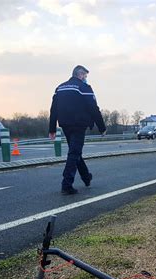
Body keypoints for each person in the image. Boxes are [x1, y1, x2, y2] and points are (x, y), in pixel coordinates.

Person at [49, 65, 106, 195]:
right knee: (74, 153)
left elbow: (53, 109)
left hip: (65, 124)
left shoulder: (60, 88)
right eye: (85, 76)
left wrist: (52, 128)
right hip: (79, 124)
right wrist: (102, 127)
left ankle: (86, 177)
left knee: (75, 152)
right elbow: (94, 109)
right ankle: (66, 184)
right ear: (80, 74)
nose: (86, 79)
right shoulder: (84, 88)